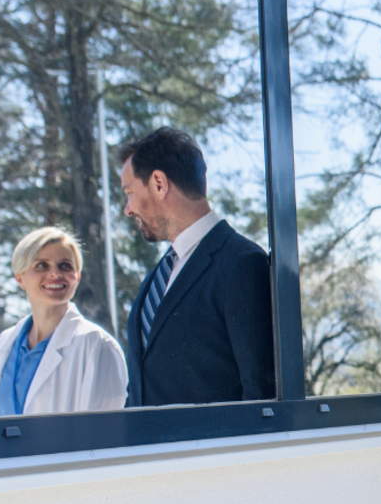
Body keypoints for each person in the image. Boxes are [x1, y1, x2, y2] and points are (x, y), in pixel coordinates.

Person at [118, 127, 275, 406]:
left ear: (158, 183)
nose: (127, 209)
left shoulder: (241, 264)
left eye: (129, 192)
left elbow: (260, 395)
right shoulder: (157, 278)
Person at [0, 227, 127, 416]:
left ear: (78, 276)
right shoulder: (5, 345)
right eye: (41, 265)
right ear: (19, 278)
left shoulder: (97, 345)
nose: (55, 274)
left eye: (65, 266)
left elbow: (103, 435)